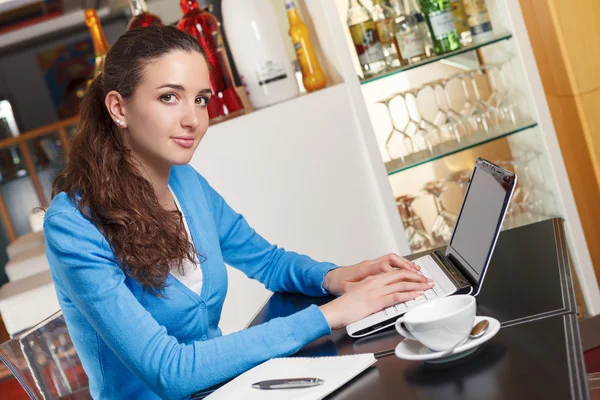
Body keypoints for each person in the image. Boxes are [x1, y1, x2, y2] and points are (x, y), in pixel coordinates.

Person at [43, 25, 433, 400]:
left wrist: (336, 278)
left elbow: (267, 261)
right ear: (118, 107)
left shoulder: (186, 183)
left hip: (228, 388)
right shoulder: (73, 227)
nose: (192, 119)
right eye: (168, 97)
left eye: (200, 99)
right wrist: (333, 314)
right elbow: (169, 370)